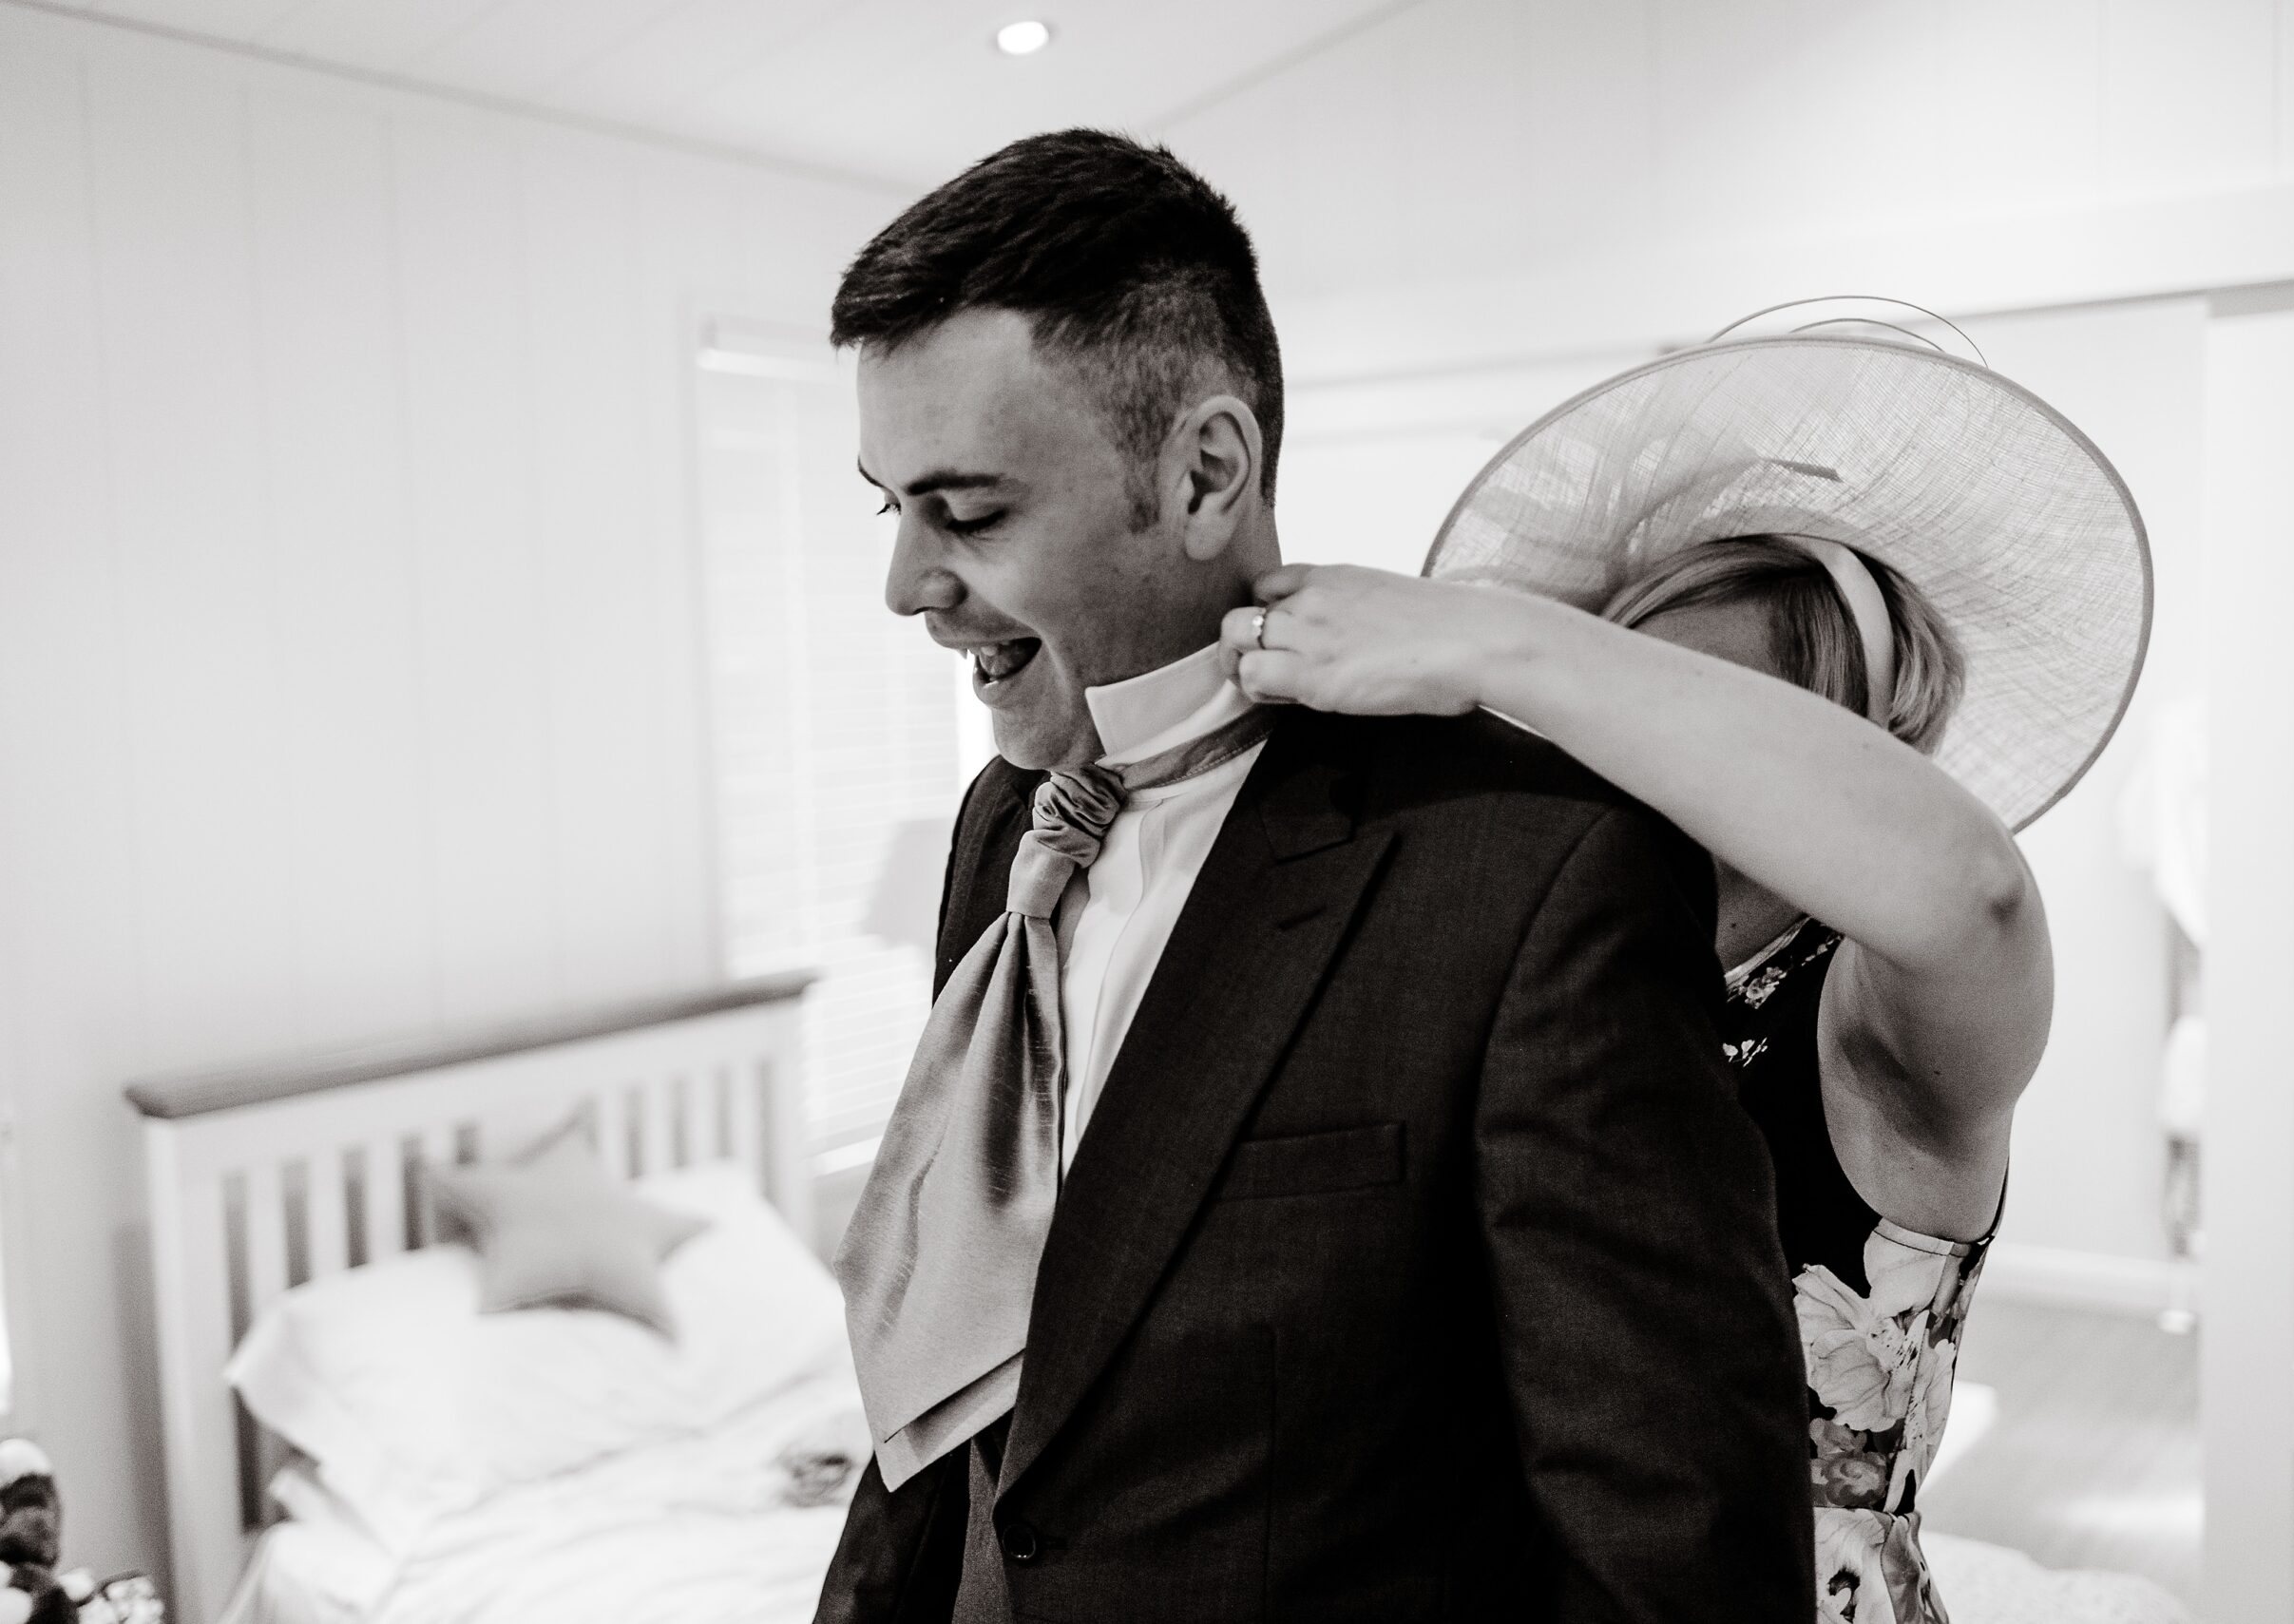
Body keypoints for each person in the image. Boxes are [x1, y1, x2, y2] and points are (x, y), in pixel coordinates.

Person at [814, 130, 1813, 1623]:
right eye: (888, 506)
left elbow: (1676, 1546)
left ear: (1206, 470)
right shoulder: (997, 830)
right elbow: (959, 1388)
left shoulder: (1530, 867)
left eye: (968, 512)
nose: (905, 583)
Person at [1220, 320, 2152, 1623]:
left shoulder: (1872, 1024)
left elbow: (1976, 896)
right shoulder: (1531, 976)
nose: (1629, 758)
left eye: (1679, 713)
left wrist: (1496, 641)